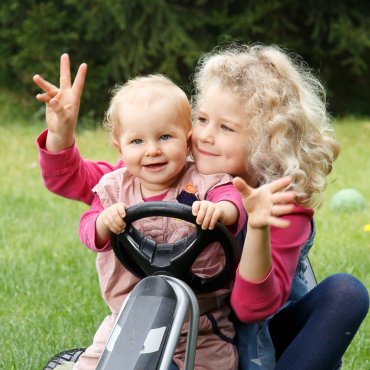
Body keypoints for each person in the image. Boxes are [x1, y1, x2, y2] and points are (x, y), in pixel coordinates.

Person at [33, 45, 369, 370]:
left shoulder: (281, 204)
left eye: (225, 127)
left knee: (346, 292)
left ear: (266, 142)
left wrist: (257, 226)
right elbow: (83, 181)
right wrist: (61, 134)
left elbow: (252, 310)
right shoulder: (173, 165)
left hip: (257, 337)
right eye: (203, 119)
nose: (205, 135)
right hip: (178, 325)